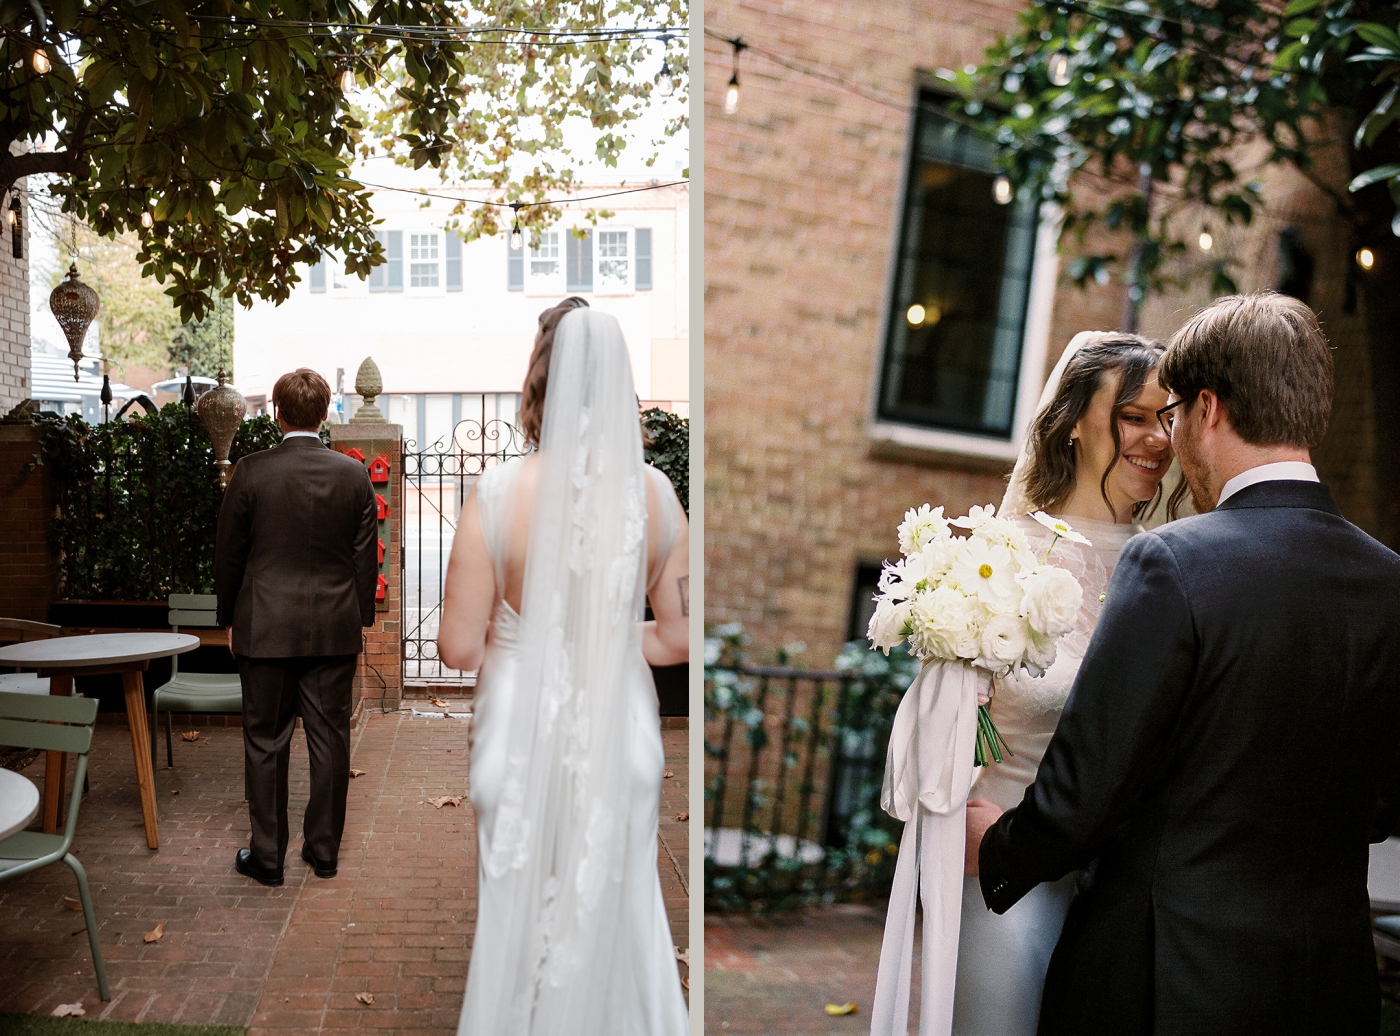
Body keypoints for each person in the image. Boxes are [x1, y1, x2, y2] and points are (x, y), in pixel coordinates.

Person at [971, 292, 1400, 1035]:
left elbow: (1085, 790)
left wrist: (997, 845)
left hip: (1167, 978)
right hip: (1328, 983)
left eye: (1168, 415)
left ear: (1207, 410)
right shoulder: (1391, 580)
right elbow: (1390, 802)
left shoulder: (1172, 562)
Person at [437, 305, 690, 1035]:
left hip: (519, 729)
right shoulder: (657, 495)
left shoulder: (496, 491)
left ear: (539, 380)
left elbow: (456, 647)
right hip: (619, 732)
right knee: (616, 915)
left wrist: (530, 645)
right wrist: (600, 642)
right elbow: (676, 638)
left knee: (520, 921)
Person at [941, 332, 1175, 1035]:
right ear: (1074, 421)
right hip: (1007, 874)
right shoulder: (998, 560)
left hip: (1133, 894)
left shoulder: (1175, 565)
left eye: (1170, 417)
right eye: (1134, 416)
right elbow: (948, 740)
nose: (1158, 438)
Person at [215, 368, 379, 887]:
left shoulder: (250, 471)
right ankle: (323, 852)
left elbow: (229, 556)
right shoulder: (352, 476)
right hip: (333, 627)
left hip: (264, 625)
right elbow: (364, 560)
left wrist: (230, 620)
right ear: (327, 412)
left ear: (277, 413)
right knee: (331, 740)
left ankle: (267, 858)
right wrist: (360, 620)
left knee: (265, 740)